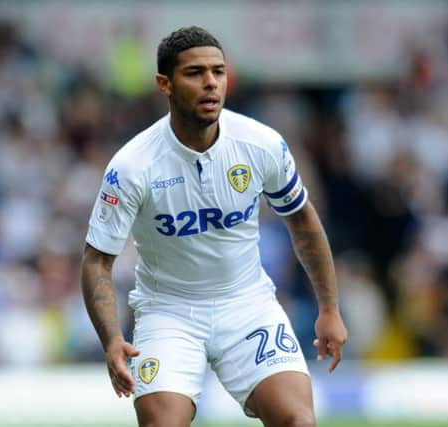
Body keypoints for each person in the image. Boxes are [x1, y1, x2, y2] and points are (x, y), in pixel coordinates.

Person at [80, 26, 347, 427]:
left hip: (246, 304)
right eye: (195, 73)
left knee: (299, 421)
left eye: (218, 72)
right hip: (167, 312)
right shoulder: (132, 165)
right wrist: (112, 339)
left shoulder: (260, 144)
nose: (210, 83)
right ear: (164, 84)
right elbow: (96, 261)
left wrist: (329, 308)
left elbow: (302, 219)